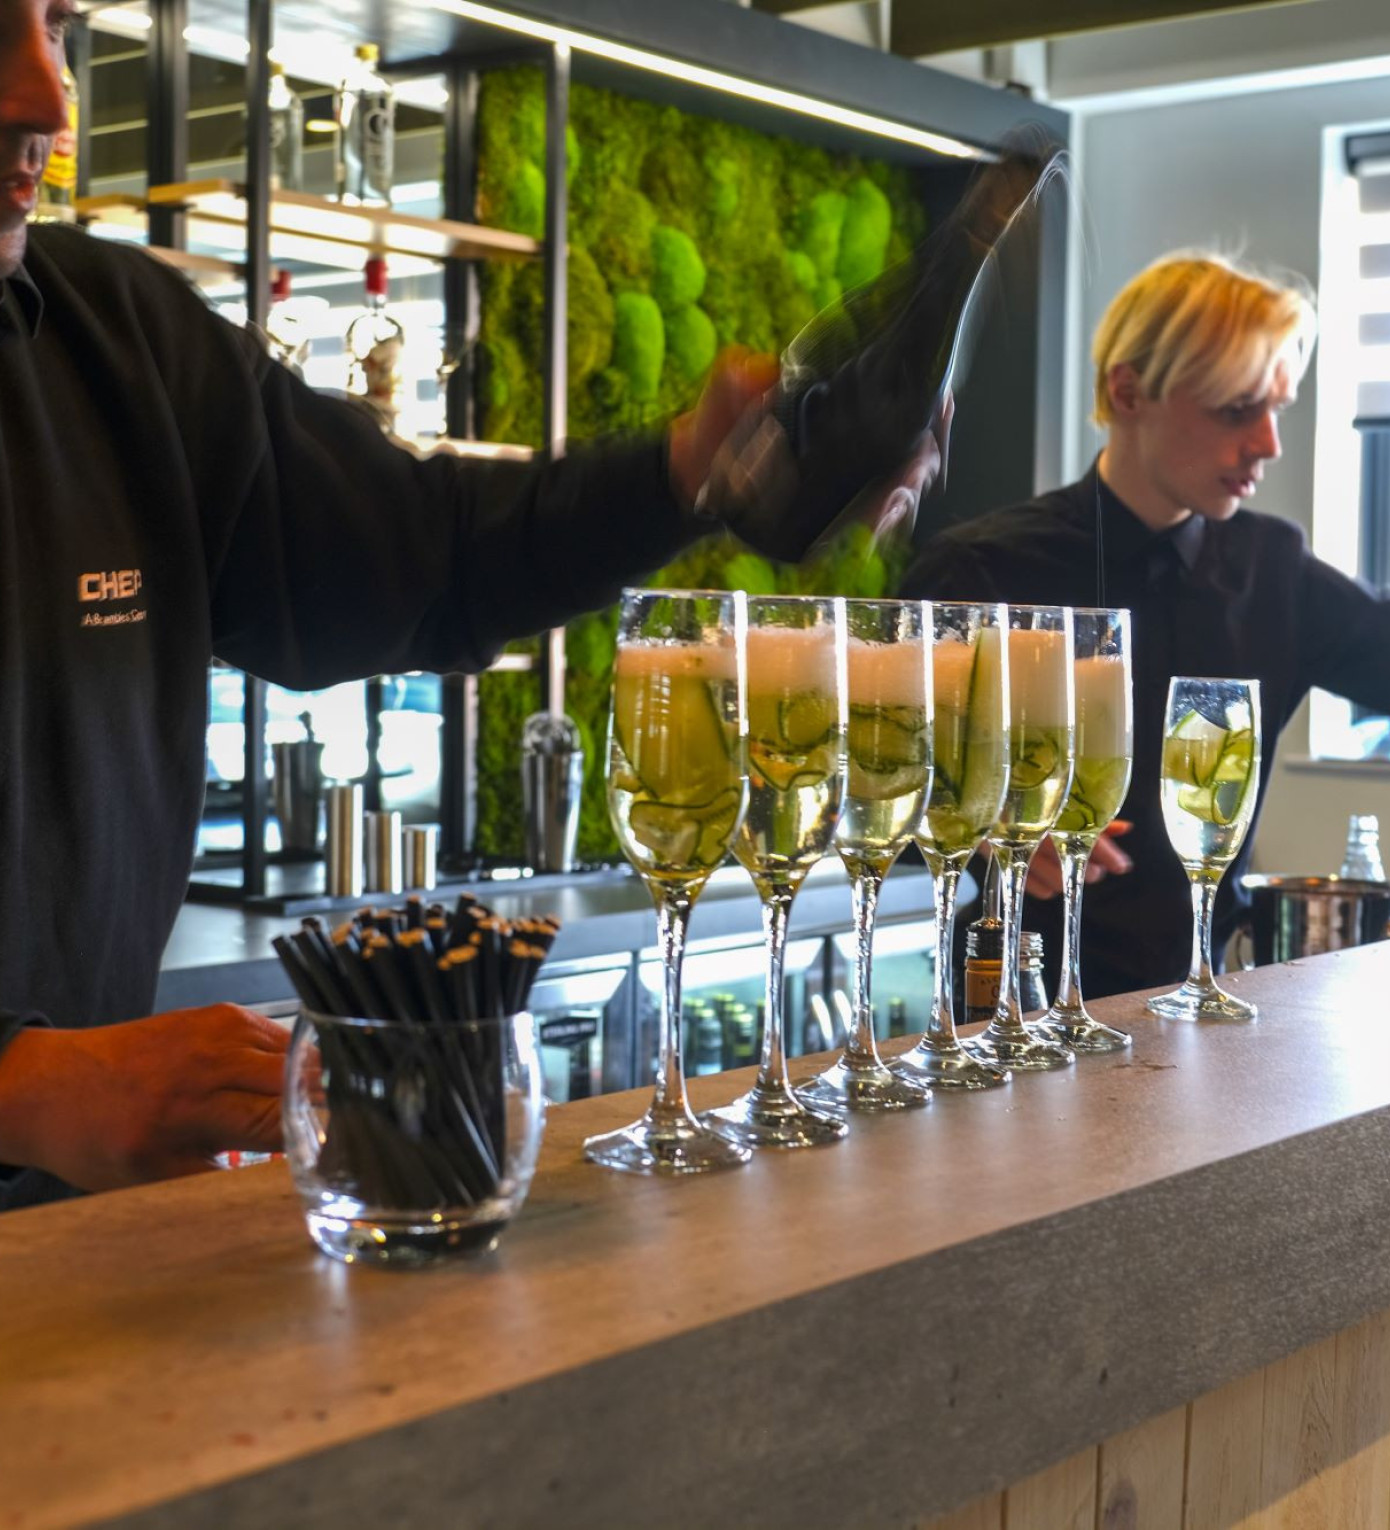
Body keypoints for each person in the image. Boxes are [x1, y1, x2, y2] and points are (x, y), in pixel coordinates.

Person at [0, 0, 944, 1208]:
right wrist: (18, 1087)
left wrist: (694, 467)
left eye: (60, 23)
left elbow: (421, 556)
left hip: (81, 1264)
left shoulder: (116, 343)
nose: (49, 98)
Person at [901, 249, 1390, 999]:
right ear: (1128, 390)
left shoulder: (1276, 569)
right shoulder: (981, 571)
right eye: (1237, 410)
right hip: (1008, 1008)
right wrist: (974, 830)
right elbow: (878, 782)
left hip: (1201, 1010)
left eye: (1276, 410)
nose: (1268, 443)